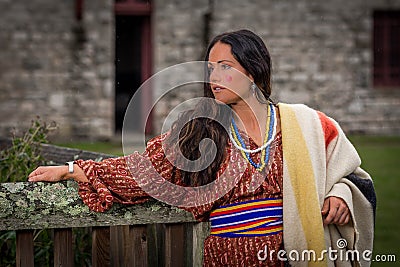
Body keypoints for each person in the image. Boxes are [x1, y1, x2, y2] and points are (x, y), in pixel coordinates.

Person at [29, 29, 375, 267]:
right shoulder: (199, 130)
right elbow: (142, 170)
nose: (213, 77)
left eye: (225, 67)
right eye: (211, 68)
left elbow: (354, 175)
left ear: (253, 72)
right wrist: (73, 169)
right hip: (225, 257)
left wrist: (342, 195)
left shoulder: (306, 124)